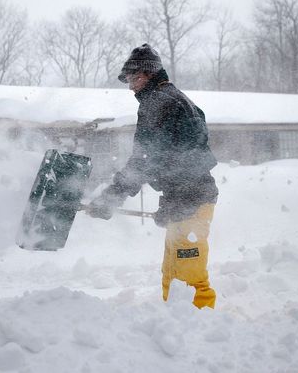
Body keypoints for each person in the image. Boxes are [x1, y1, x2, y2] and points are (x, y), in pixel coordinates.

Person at [86, 43, 219, 309]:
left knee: (189, 274)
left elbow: (145, 160)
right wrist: (173, 200)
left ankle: (199, 327)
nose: (131, 86)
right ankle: (175, 319)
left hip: (191, 198)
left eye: (135, 78)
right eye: (128, 80)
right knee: (172, 269)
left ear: (150, 74)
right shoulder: (174, 98)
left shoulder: (158, 103)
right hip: (187, 198)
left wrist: (113, 196)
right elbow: (181, 152)